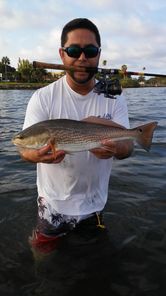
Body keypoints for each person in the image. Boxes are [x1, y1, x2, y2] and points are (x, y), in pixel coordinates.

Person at [20, 18, 133, 253]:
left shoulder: (115, 98)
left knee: (93, 262)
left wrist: (116, 149)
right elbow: (24, 150)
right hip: (53, 205)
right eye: (73, 50)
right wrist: (38, 155)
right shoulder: (42, 98)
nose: (82, 58)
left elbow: (127, 149)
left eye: (90, 51)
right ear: (62, 55)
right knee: (43, 257)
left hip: (95, 206)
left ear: (98, 55)